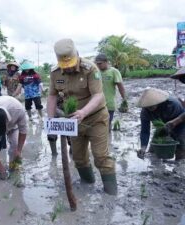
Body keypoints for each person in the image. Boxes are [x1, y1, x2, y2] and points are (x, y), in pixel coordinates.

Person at [47, 38, 117, 195]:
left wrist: (83, 112)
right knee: (78, 158)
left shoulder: (90, 69)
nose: (69, 69)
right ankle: (88, 185)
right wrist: (50, 120)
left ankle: (111, 194)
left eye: (71, 65)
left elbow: (98, 95)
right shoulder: (55, 72)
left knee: (101, 157)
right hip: (73, 121)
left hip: (95, 117)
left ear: (77, 55)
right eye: (65, 66)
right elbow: (51, 97)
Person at [137, 88, 185, 161]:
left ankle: (179, 166)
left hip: (180, 124)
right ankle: (156, 169)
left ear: (158, 102)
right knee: (153, 151)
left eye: (152, 105)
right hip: (162, 127)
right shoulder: (145, 113)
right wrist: (143, 147)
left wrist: (174, 123)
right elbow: (145, 131)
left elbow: (182, 118)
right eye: (147, 106)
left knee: (180, 146)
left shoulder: (171, 104)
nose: (150, 108)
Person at [94, 53, 127, 130]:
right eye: (97, 64)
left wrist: (124, 99)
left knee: (107, 125)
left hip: (109, 104)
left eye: (100, 64)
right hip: (96, 105)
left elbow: (120, 86)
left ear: (106, 62)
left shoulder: (114, 71)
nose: (98, 66)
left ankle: (108, 140)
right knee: (97, 126)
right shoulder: (95, 72)